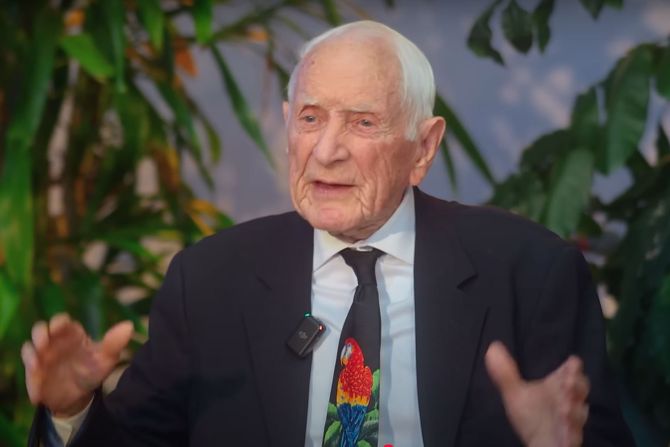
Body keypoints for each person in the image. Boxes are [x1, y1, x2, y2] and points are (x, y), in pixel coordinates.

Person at [22, 20, 634, 447]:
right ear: (288, 124)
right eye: (311, 118)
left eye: (363, 123)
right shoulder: (210, 279)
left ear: (423, 148)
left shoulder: (531, 274)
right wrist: (71, 413)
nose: (326, 150)